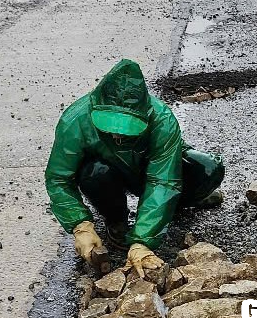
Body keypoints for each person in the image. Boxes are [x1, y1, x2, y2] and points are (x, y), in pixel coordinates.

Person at [45, 59, 224, 277]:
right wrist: (80, 224)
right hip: (110, 176)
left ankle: (180, 202)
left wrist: (142, 241)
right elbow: (59, 179)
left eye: (126, 128)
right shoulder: (76, 120)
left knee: (208, 168)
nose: (118, 134)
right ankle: (116, 220)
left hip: (149, 172)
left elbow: (163, 181)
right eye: (111, 127)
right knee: (94, 172)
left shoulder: (162, 120)